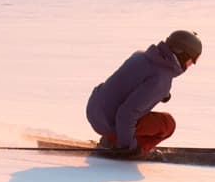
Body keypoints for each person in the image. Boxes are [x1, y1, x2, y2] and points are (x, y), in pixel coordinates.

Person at [86, 30, 202, 158]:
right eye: (192, 61)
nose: (190, 65)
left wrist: (160, 92)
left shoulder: (141, 55)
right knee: (168, 124)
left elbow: (131, 80)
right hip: (109, 123)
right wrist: (127, 147)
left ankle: (115, 139)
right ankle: (129, 146)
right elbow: (126, 114)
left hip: (94, 110)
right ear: (183, 55)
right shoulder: (160, 80)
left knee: (135, 112)